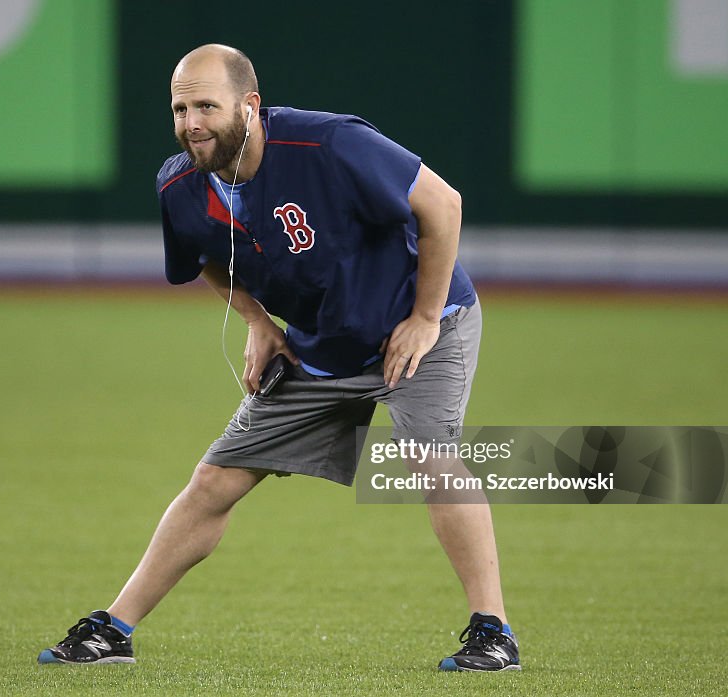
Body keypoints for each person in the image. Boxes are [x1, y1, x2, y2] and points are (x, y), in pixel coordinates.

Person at [37, 44, 519, 672]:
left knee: (428, 455)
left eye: (207, 105)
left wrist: (425, 317)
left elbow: (443, 204)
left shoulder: (330, 146)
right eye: (181, 108)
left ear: (250, 106)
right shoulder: (181, 183)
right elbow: (202, 254)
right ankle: (115, 629)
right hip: (320, 347)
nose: (192, 122)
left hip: (418, 323)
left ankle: (493, 632)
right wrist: (258, 322)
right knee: (215, 480)